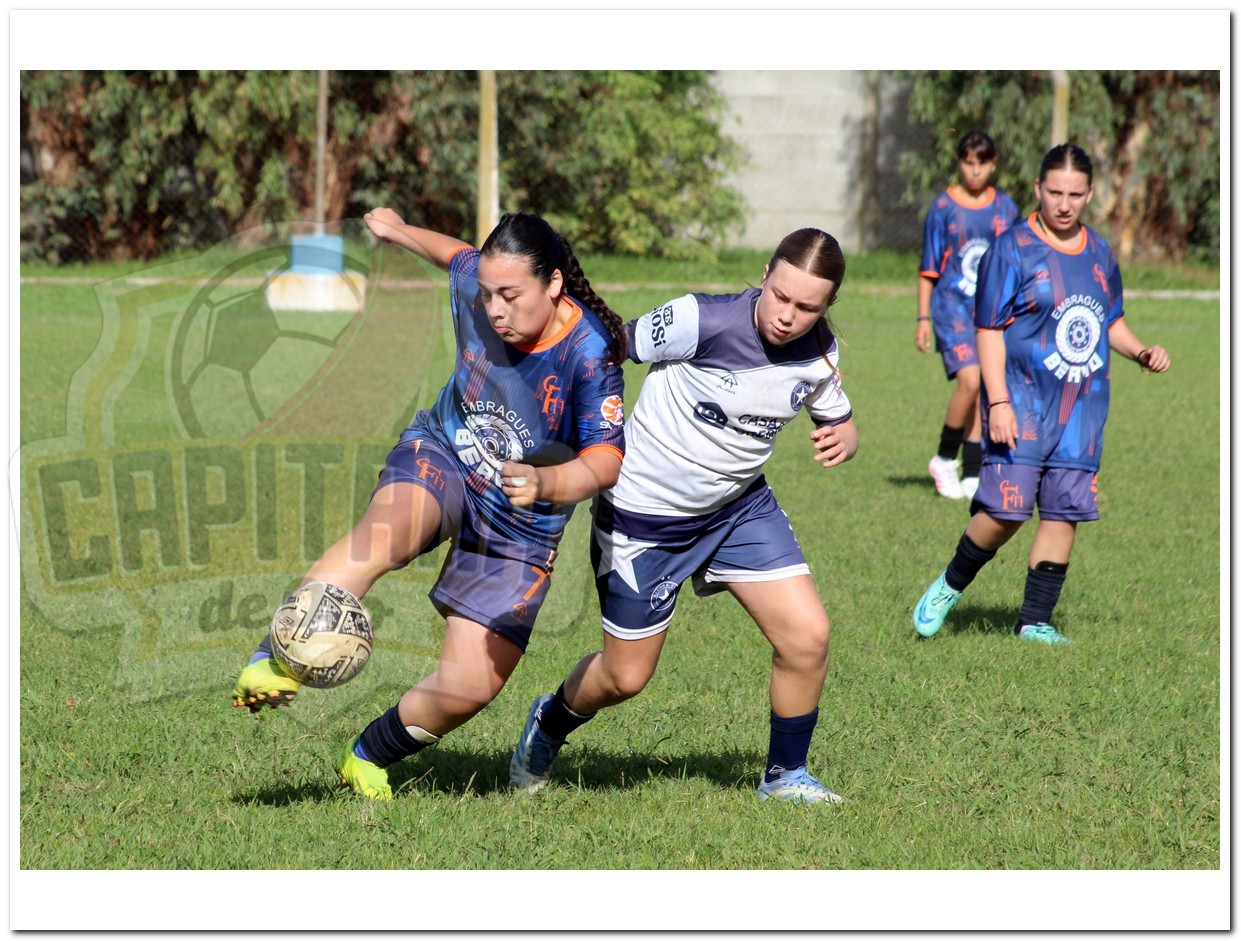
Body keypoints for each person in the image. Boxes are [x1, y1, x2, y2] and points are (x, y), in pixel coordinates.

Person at [231, 208, 628, 801]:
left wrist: (548, 484)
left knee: (471, 685)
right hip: (443, 452)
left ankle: (369, 756)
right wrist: (398, 231)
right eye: (489, 294)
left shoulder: (588, 354)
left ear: (552, 284)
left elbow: (605, 461)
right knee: (383, 536)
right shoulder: (479, 281)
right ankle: (276, 657)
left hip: (521, 520)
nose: (494, 309)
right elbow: (457, 255)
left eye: (511, 295)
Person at [508, 228, 859, 804]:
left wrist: (844, 435)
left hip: (738, 512)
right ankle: (550, 720)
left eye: (808, 307)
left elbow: (834, 414)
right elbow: (604, 347)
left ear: (828, 307)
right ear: (765, 274)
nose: (789, 316)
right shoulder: (701, 319)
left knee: (808, 637)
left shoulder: (820, 352)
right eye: (781, 297)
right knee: (625, 678)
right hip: (645, 520)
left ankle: (784, 776)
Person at [912, 143, 1170, 645]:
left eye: (1075, 194)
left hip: (1083, 407)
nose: (1065, 203)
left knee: (1063, 512)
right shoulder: (1012, 248)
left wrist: (1139, 352)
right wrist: (999, 402)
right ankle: (948, 585)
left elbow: (1108, 319)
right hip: (1021, 401)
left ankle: (1035, 621)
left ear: (1091, 194)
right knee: (1005, 511)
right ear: (1037, 189)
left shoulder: (1099, 252)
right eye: (1055, 192)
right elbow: (988, 328)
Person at [917, 131, 1021, 501]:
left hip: (990, 311)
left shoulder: (1006, 208)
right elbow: (929, 266)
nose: (975, 171)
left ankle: (973, 468)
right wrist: (922, 318)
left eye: (982, 163)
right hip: (951, 308)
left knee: (987, 383)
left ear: (993, 165)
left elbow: (1017, 260)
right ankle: (945, 457)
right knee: (971, 380)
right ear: (959, 163)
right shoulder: (944, 206)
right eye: (968, 163)